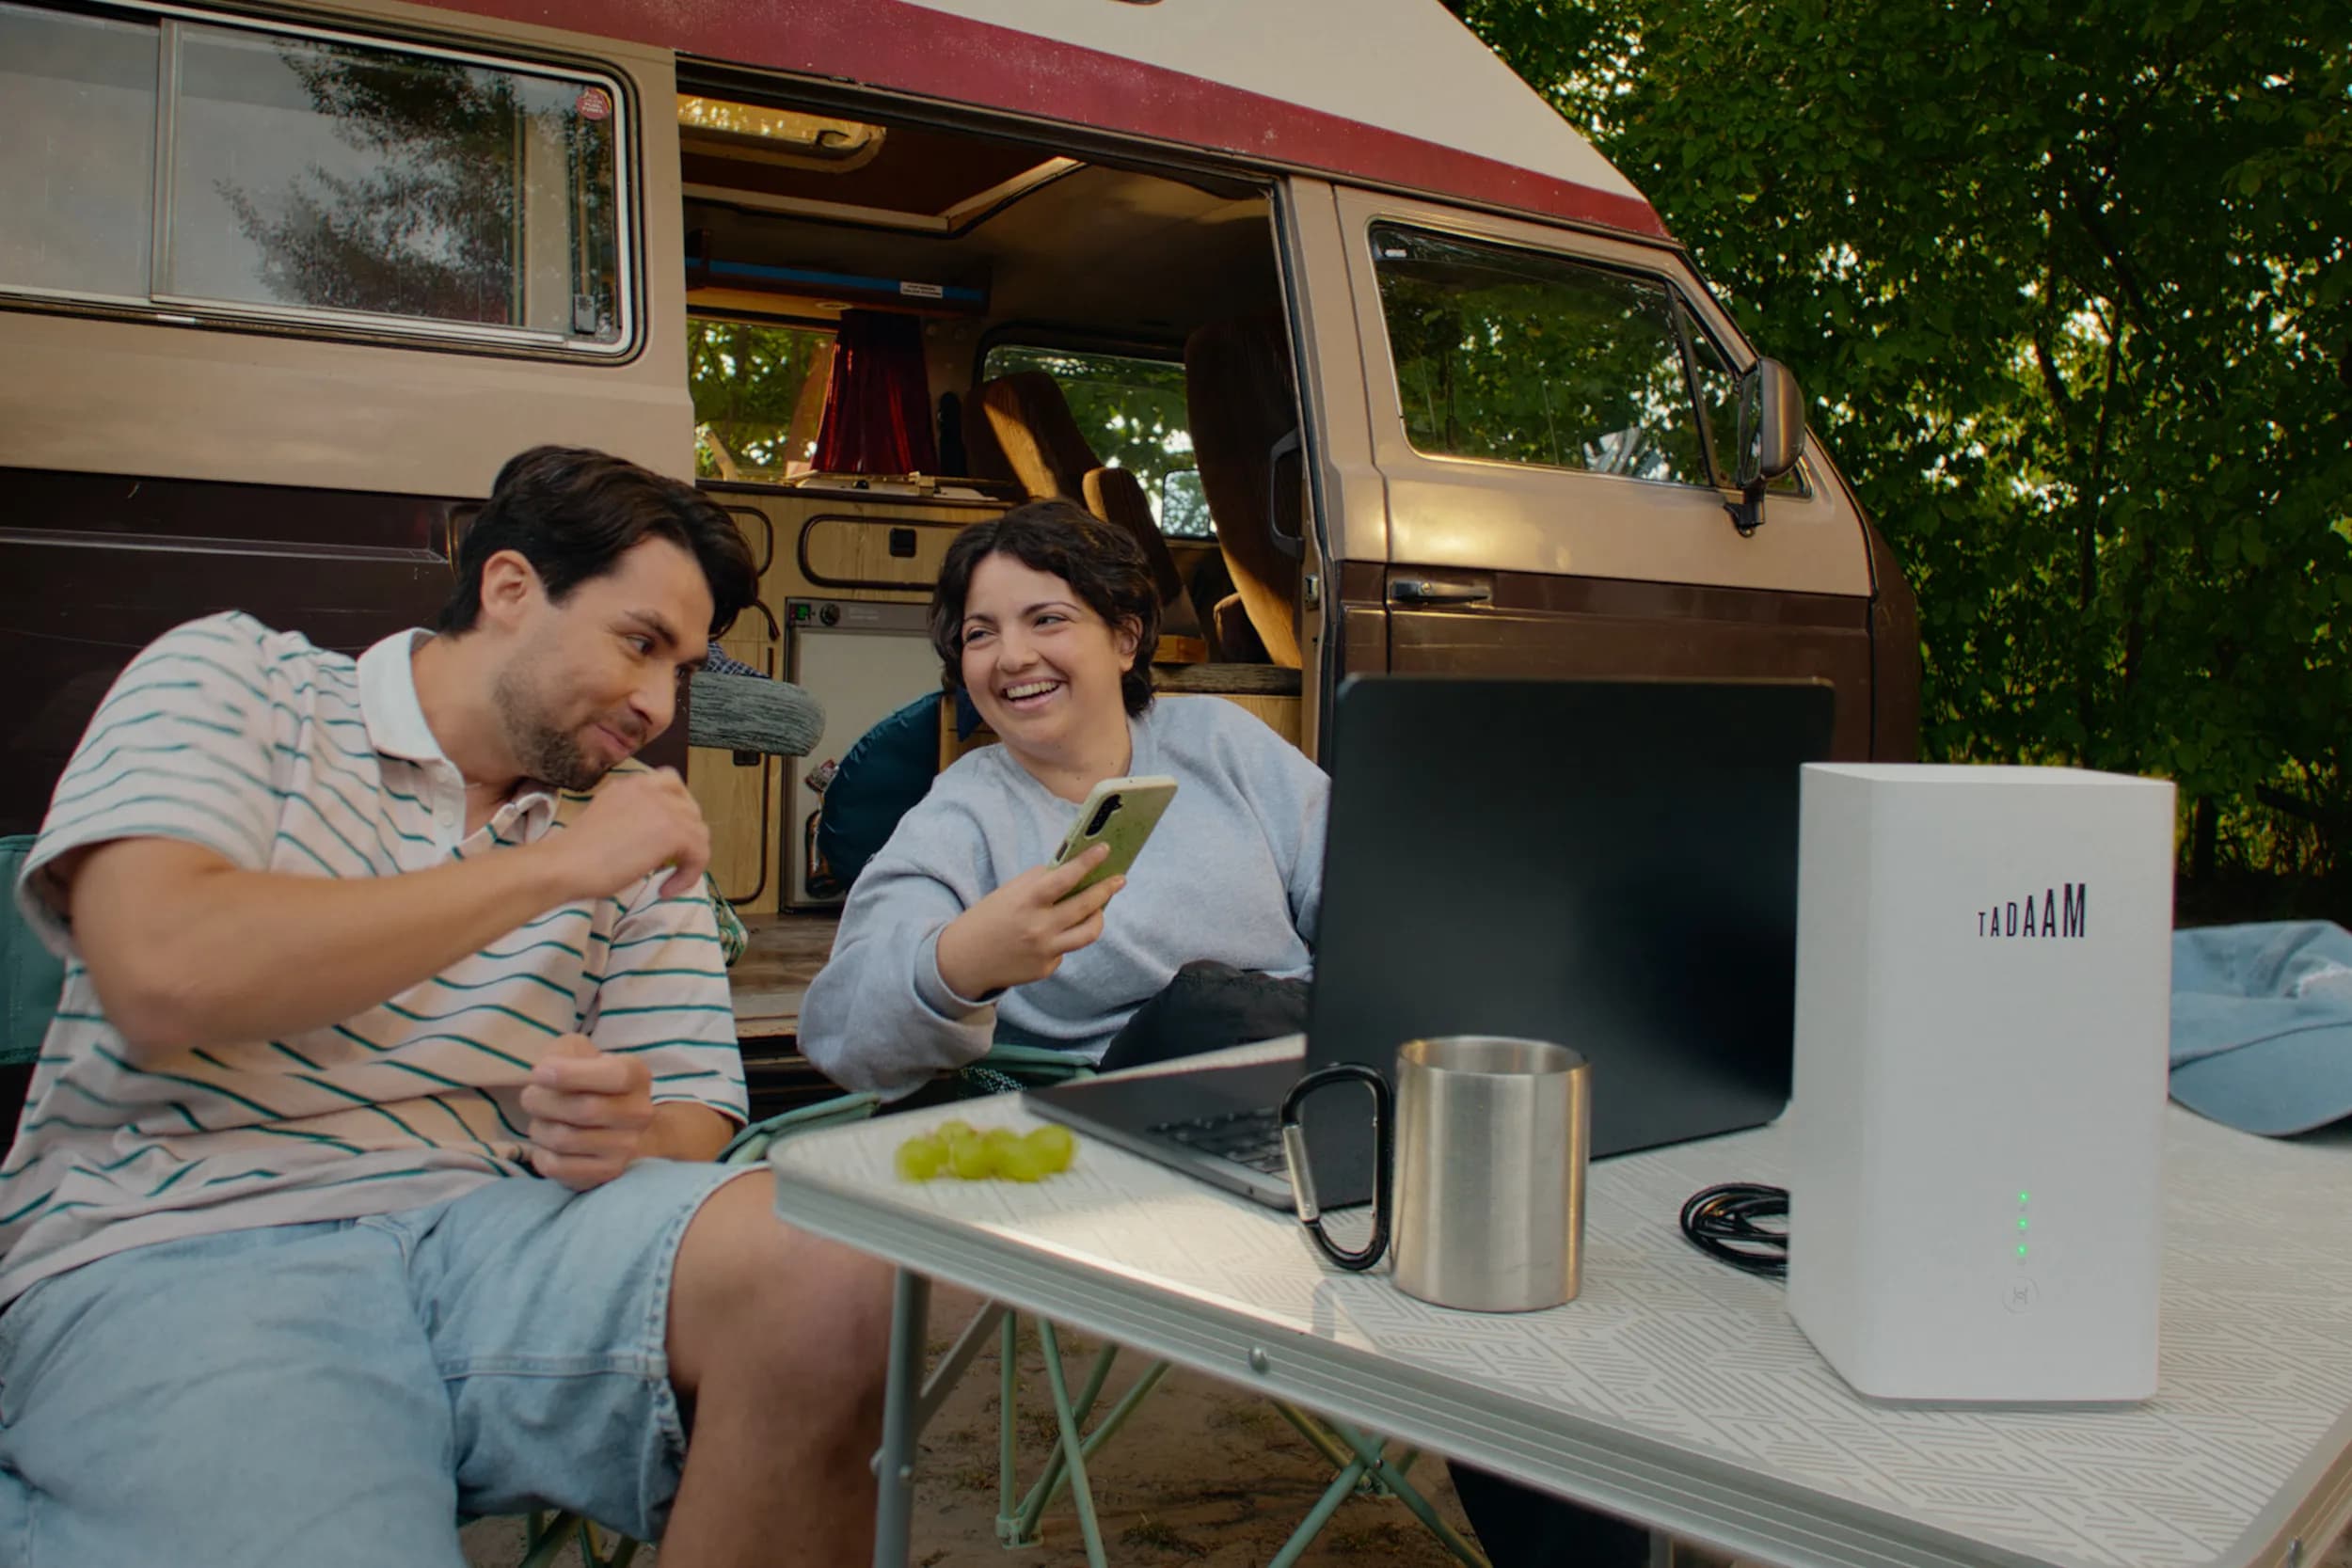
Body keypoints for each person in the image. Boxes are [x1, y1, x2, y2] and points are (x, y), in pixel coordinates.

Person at [0, 446, 890, 1567]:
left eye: (686, 668)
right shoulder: (237, 680)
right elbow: (162, 971)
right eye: (639, 643)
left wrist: (621, 1125)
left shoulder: (631, 824)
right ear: (510, 589)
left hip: (500, 1234)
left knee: (834, 1260)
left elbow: (695, 1113)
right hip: (191, 1238)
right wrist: (551, 871)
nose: (662, 705)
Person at [798, 499, 1327, 1099]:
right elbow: (838, 1036)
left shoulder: (1219, 741)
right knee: (1197, 1017)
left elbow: (1365, 892)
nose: (1013, 657)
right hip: (1123, 1114)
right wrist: (961, 962)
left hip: (1317, 1066)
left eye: (1047, 619)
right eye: (980, 633)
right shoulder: (960, 817)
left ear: (1125, 638)